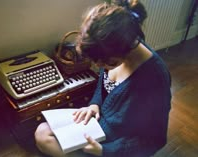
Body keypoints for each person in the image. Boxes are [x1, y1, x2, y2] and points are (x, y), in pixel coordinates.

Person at [35, 1, 171, 157]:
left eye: (109, 63)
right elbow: (104, 87)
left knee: (50, 141)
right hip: (99, 122)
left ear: (124, 49)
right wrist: (94, 104)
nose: (101, 67)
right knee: (42, 133)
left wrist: (105, 151)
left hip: (118, 142)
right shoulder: (110, 46)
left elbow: (155, 140)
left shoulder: (154, 77)